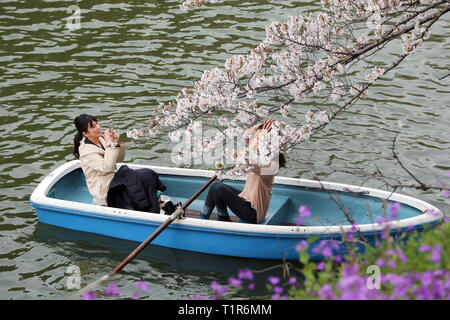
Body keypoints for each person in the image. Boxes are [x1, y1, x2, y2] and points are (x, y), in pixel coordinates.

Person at [73, 114, 166, 213]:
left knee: (147, 174)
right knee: (132, 185)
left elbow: (119, 159)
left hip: (114, 177)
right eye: (93, 127)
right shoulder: (86, 152)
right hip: (105, 188)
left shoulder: (100, 139)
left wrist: (116, 143)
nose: (98, 128)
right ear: (85, 134)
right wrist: (109, 145)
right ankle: (150, 209)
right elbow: (107, 168)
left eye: (97, 124)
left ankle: (153, 205)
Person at [200, 118, 286, 224]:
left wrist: (259, 138)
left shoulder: (271, 165)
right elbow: (248, 147)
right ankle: (222, 218)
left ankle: (204, 219)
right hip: (246, 200)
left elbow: (247, 157)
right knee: (216, 188)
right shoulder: (262, 158)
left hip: (253, 213)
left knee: (217, 187)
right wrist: (255, 129)